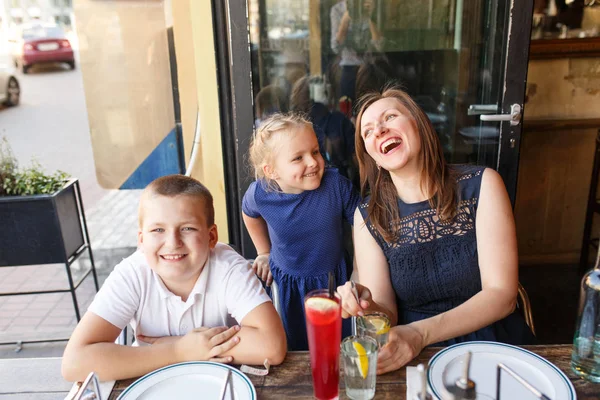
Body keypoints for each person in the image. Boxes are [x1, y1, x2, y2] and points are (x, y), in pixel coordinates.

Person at [337, 87, 535, 374]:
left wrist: (420, 333)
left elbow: (502, 295)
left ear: (419, 125)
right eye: (367, 131)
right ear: (373, 158)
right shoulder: (368, 216)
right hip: (415, 356)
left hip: (490, 343)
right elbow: (387, 313)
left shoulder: (483, 184)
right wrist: (367, 306)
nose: (378, 130)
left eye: (390, 117)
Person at [62, 175, 286, 381]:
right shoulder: (132, 274)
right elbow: (74, 363)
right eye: (158, 230)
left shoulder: (228, 268)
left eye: (187, 228)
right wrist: (178, 350)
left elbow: (272, 346)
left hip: (219, 382)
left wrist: (177, 348)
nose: (173, 242)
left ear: (211, 237)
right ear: (141, 240)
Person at [242, 113, 361, 350]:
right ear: (271, 171)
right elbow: (249, 214)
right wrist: (263, 252)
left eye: (315, 151)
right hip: (288, 286)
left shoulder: (336, 186)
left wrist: (358, 271)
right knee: (295, 347)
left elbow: (363, 225)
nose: (313, 162)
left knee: (336, 345)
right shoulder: (260, 194)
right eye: (298, 158)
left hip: (333, 281)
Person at [330, 0, 383, 106]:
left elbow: (379, 46)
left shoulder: (373, 6)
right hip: (348, 66)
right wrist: (345, 20)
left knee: (372, 105)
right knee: (346, 105)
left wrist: (370, 17)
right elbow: (335, 47)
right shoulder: (338, 10)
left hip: (370, 66)